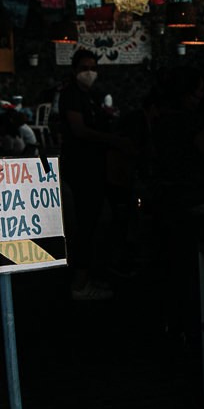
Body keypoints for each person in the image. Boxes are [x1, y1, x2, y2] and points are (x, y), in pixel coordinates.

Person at [56, 50, 129, 300]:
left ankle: (87, 276)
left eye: (93, 67)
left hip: (96, 169)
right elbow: (79, 130)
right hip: (81, 169)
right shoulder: (71, 96)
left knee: (96, 222)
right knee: (85, 225)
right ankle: (79, 284)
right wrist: (112, 139)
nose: (90, 71)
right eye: (85, 67)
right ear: (75, 69)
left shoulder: (90, 96)